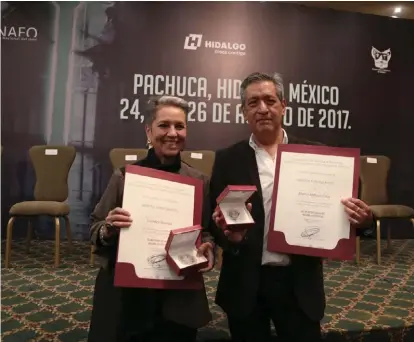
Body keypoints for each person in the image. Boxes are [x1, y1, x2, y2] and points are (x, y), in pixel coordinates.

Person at [208, 72, 375, 342]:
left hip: (299, 284)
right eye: (253, 103)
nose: (262, 109)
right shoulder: (228, 159)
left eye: (269, 100)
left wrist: (364, 220)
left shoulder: (318, 156)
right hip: (246, 283)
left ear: (283, 106)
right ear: (243, 112)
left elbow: (354, 214)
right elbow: (214, 220)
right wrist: (229, 237)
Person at [88, 96, 215, 342]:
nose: (172, 133)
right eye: (164, 125)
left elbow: (206, 231)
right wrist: (108, 229)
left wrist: (207, 246)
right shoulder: (125, 176)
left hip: (177, 295)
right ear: (148, 130)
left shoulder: (199, 181)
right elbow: (95, 227)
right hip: (127, 294)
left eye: (180, 126)